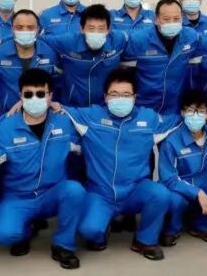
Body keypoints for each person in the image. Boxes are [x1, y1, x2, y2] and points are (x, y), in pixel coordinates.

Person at [0, 69, 84, 270]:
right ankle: (25, 229)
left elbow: (89, 145)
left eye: (41, 94)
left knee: (75, 190)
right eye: (28, 94)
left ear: (50, 96)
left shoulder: (65, 123)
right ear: (20, 96)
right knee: (3, 235)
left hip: (52, 193)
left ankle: (63, 245)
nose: (34, 98)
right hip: (18, 197)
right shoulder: (6, 128)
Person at [61, 68, 178, 261]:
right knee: (89, 231)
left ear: (135, 97)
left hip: (135, 190)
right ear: (105, 96)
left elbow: (180, 120)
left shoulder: (149, 118)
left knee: (160, 194)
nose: (120, 99)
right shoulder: (90, 116)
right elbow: (61, 110)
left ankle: (144, 240)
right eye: (114, 94)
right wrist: (36, 105)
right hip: (101, 193)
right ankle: (103, 224)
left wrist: (204, 115)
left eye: (126, 95)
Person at [158, 91, 207, 247]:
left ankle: (202, 226)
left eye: (201, 111)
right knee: (174, 200)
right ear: (182, 112)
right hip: (178, 190)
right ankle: (172, 229)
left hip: (204, 188)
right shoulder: (171, 141)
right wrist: (197, 193)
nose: (195, 116)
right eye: (190, 110)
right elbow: (168, 178)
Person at [121, 0, 200, 114]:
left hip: (175, 107)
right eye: (166, 19)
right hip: (143, 106)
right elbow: (122, 67)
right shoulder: (139, 39)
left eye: (176, 19)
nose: (172, 23)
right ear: (156, 20)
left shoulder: (191, 37)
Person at [39, 4, 127, 106]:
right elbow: (41, 40)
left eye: (101, 29)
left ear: (108, 29)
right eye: (91, 28)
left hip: (105, 107)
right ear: (81, 28)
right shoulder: (68, 42)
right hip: (73, 106)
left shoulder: (118, 40)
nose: (96, 32)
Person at [0, 10, 60, 113]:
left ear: (38, 29)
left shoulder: (50, 54)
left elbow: (57, 85)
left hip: (42, 114)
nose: (25, 31)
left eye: (30, 27)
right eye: (19, 27)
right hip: (8, 115)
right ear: (12, 29)